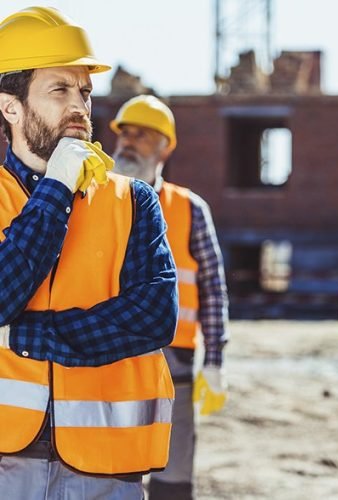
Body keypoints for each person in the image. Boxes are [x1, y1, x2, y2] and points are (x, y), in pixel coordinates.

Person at [0, 7, 178, 500]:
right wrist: (56, 185)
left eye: (84, 91)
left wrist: (27, 333)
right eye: (59, 90)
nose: (79, 105)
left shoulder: (133, 199)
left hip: (107, 467)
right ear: (10, 106)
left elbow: (153, 317)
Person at [111, 95, 229, 500]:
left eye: (141, 135)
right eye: (124, 133)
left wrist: (214, 360)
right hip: (105, 356)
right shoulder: (92, 200)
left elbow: (213, 288)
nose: (128, 141)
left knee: (173, 474)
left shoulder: (189, 208)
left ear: (165, 146)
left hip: (173, 360)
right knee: (108, 470)